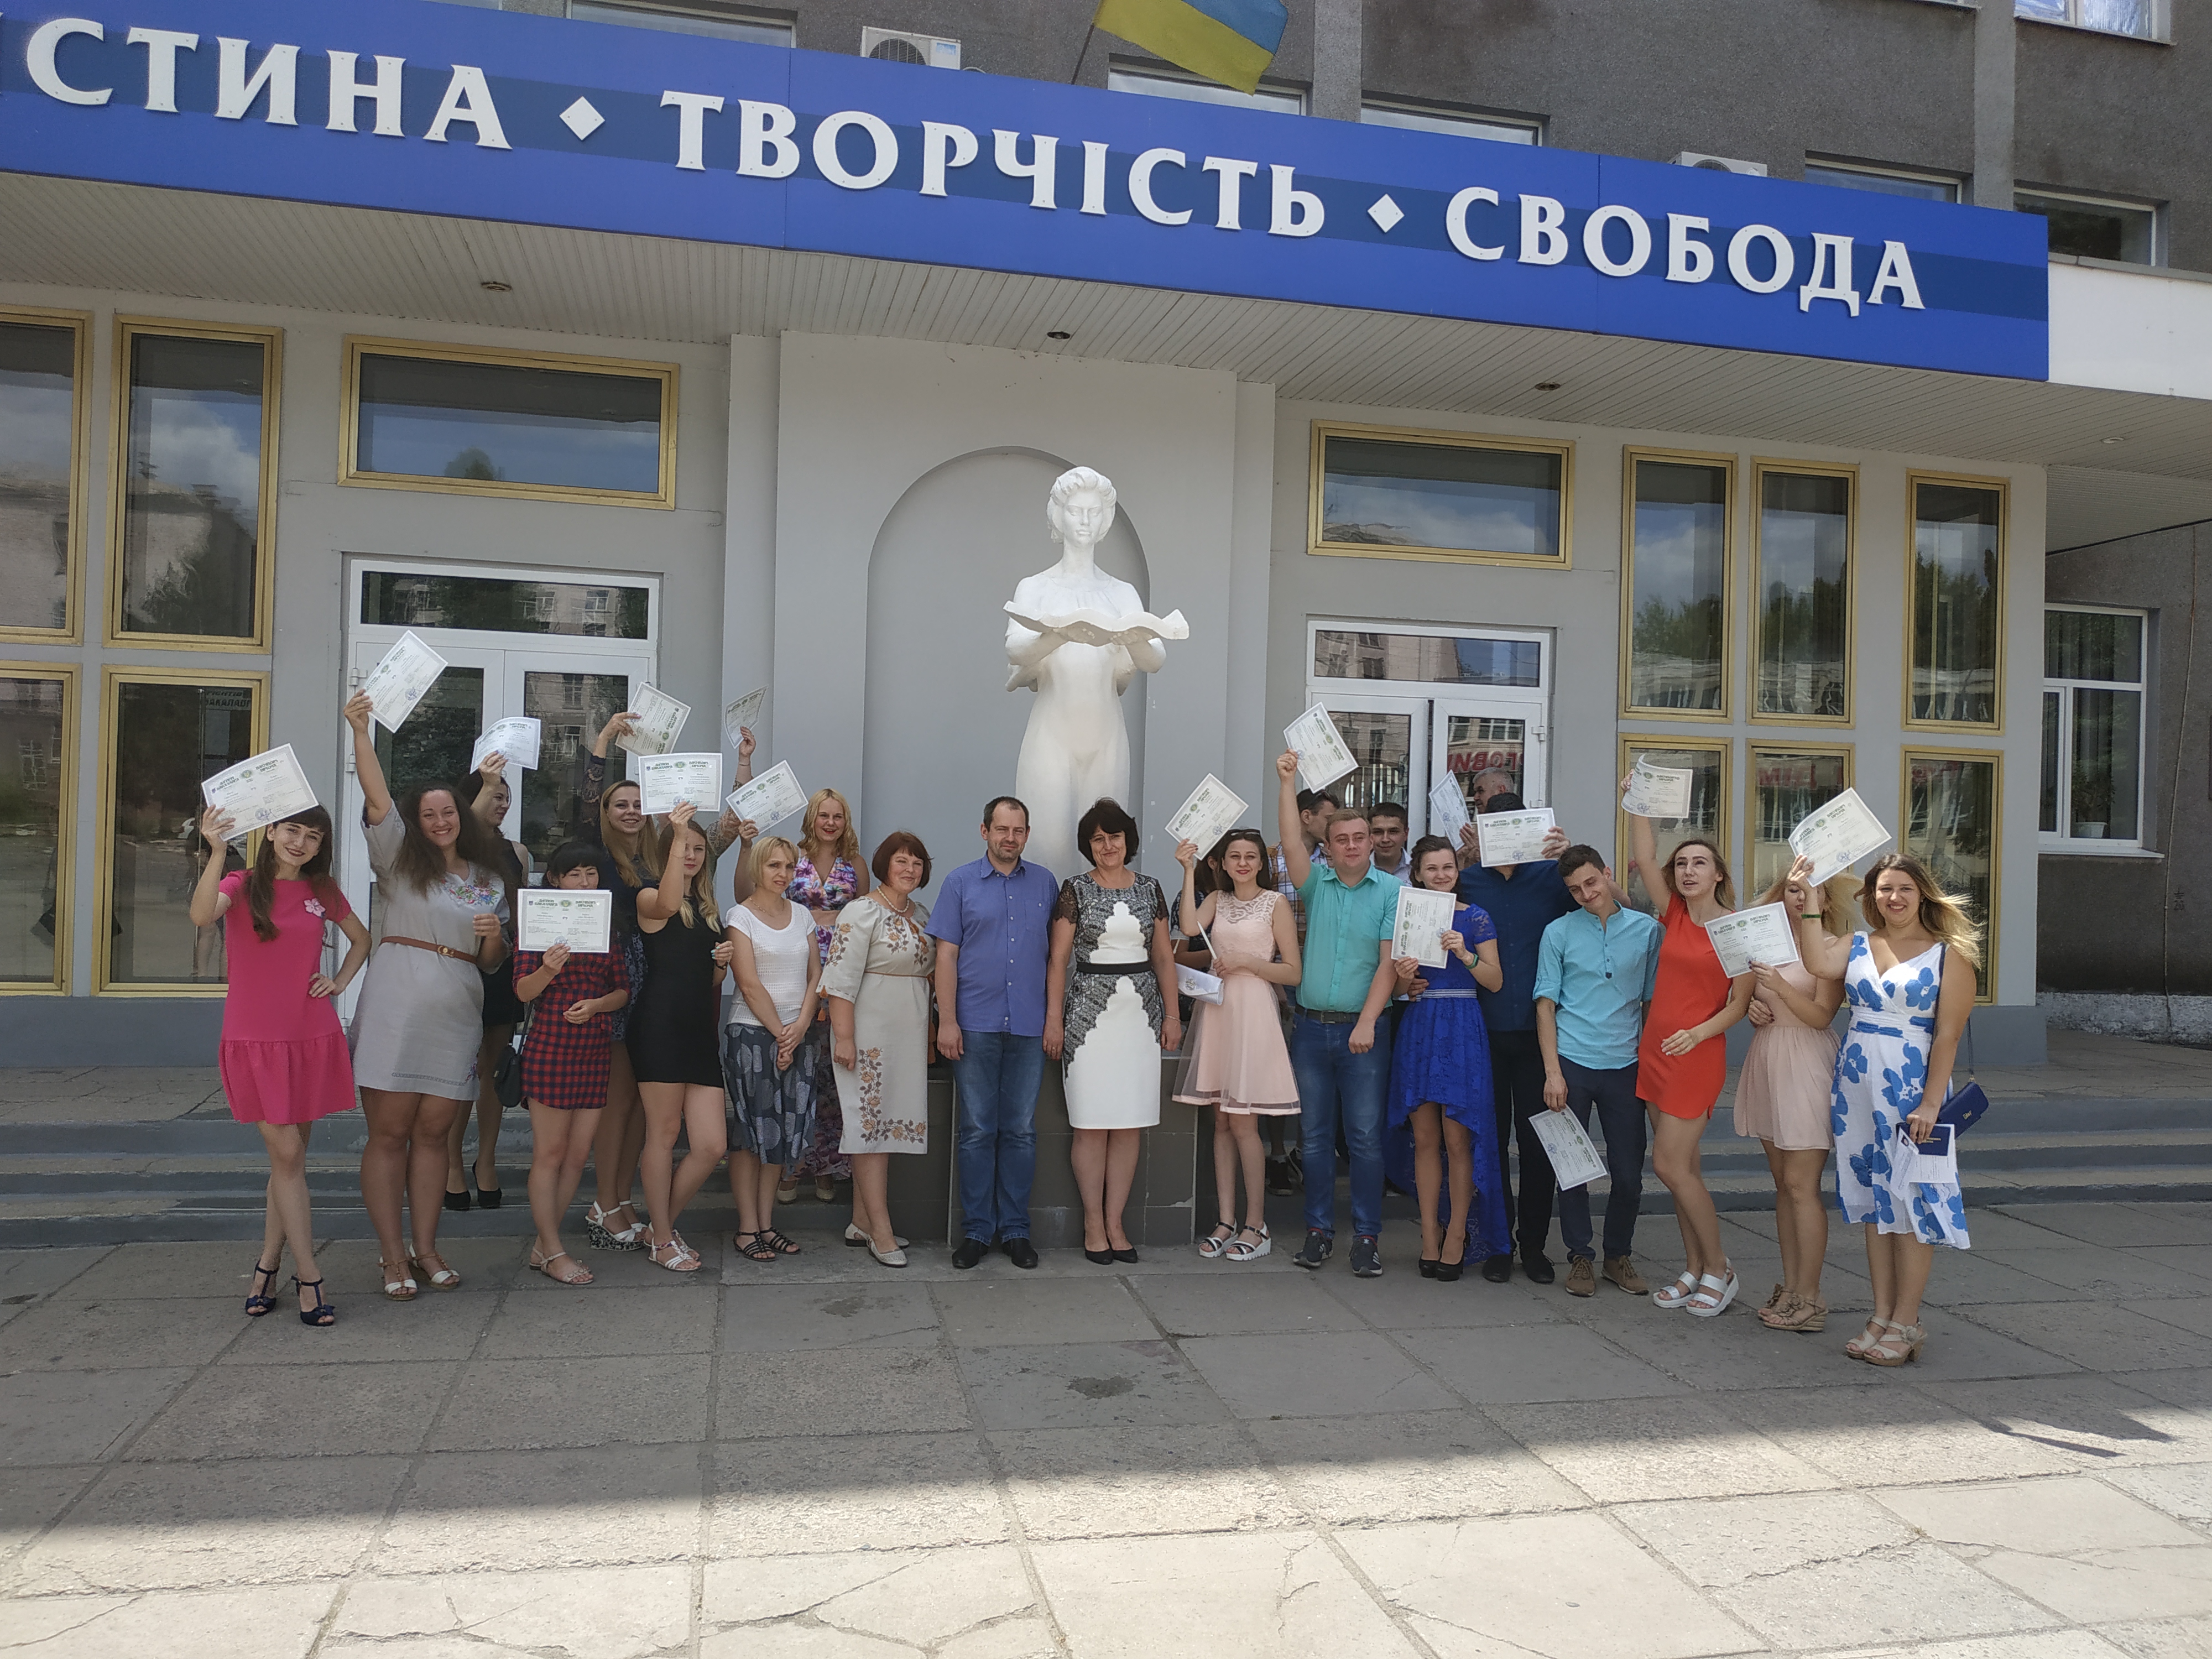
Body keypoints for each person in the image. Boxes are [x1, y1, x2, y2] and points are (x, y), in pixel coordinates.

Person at [344, 691, 511, 1301]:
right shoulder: (398, 861)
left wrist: (493, 938)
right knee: (390, 1134)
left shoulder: (487, 879)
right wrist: (361, 732)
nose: (441, 821)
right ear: (415, 822)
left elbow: (491, 963)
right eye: (429, 814)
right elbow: (377, 798)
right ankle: (392, 1256)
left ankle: (427, 1248)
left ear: (462, 816)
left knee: (437, 1136)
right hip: (397, 1007)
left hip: (458, 1011)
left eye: (448, 812)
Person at [1785, 852, 1978, 1367]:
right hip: (1858, 1089)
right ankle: (1883, 1314)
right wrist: (1810, 901)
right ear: (1871, 897)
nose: (1894, 898)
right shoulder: (1857, 945)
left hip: (1913, 1093)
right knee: (1876, 1202)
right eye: (1884, 889)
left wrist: (1932, 1103)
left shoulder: (1948, 957)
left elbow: (1948, 1036)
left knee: (1912, 1204)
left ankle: (1907, 1322)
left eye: (1904, 889)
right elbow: (1817, 964)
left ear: (1923, 895)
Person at [577, 712, 755, 1253]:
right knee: (621, 1105)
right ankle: (607, 1201)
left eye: (640, 804)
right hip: (618, 984)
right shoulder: (604, 856)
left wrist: (743, 764)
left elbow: (727, 827)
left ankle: (633, 1207)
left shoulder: (672, 860)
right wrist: (604, 743)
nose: (632, 812)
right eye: (621, 805)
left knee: (642, 1112)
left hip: (674, 999)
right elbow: (588, 806)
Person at [190, 804, 368, 1327]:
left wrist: (338, 982)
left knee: (287, 1163)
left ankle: (267, 1265)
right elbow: (202, 915)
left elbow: (362, 940)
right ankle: (309, 1276)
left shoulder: (322, 890)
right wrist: (217, 851)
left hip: (309, 1034)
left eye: (313, 836)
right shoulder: (242, 884)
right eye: (292, 830)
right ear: (271, 831)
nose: (300, 842)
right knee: (288, 1153)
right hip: (253, 1039)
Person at [1620, 792, 1756, 1316]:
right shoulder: (1673, 913)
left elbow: (1739, 1004)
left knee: (1670, 1165)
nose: (1688, 871)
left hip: (1696, 1057)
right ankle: (1694, 1267)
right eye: (1682, 864)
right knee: (1685, 1169)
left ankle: (1721, 1267)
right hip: (1656, 1053)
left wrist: (1698, 1035)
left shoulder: (1736, 929)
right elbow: (1645, 855)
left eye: (1700, 863)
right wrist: (1638, 802)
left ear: (1718, 874)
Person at [1275, 753, 1402, 1278]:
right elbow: (1289, 841)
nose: (1351, 845)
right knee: (1313, 1137)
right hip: (1311, 1028)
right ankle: (1319, 1231)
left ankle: (1367, 1237)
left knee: (1366, 1138)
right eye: (1341, 839)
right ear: (1327, 847)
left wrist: (1368, 1021)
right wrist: (1287, 782)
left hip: (1364, 1031)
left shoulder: (1394, 891)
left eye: (1359, 838)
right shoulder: (1315, 884)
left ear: (1371, 843)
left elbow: (1389, 963)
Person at [1046, 799, 1181, 1265]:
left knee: (1128, 1125)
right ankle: (1092, 1223)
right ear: (1089, 845)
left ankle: (1116, 1222)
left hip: (1140, 1017)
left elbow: (1163, 957)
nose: (1108, 846)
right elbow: (1058, 960)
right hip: (1088, 1018)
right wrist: (1054, 1020)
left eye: (1115, 837)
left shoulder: (1151, 888)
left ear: (1129, 841)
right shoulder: (1075, 889)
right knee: (1090, 1124)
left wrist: (1172, 1015)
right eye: (1098, 839)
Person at [931, 796, 1057, 1270]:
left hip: (1028, 1025)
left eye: (1018, 830)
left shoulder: (1046, 883)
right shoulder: (959, 883)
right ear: (984, 831)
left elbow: (1056, 958)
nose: (1010, 838)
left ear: (1027, 834)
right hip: (974, 1025)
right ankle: (978, 1232)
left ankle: (1016, 1231)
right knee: (977, 1131)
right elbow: (945, 955)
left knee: (1021, 1131)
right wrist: (947, 1020)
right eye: (1002, 829)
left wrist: (1053, 1018)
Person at [1454, 792, 1575, 1284]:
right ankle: (1499, 1243)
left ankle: (1535, 1246)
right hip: (1480, 1031)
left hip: (1538, 1033)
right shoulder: (1468, 879)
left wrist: (1569, 855)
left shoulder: (1552, 877)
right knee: (1490, 1142)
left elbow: (1609, 905)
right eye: (1495, 826)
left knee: (1538, 1143)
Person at [1533, 844, 1663, 1299]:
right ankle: (1580, 1256)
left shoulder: (1647, 931)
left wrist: (1652, 1062)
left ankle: (1617, 1255)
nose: (1587, 894)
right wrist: (1553, 1072)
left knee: (1629, 1173)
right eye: (1575, 889)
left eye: (1591, 882)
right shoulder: (1558, 932)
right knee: (1572, 1169)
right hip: (1572, 1059)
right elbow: (1545, 1005)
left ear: (1607, 873)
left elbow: (1652, 1002)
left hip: (1625, 1063)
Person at [1173, 828, 1300, 1262]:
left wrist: (1249, 962)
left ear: (1262, 863)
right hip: (1219, 1010)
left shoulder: (1275, 903)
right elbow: (1188, 927)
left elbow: (1293, 972)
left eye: (1250, 856)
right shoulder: (1218, 900)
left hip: (1253, 1009)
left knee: (1245, 1122)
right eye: (1234, 856)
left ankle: (1257, 1224)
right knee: (1222, 1123)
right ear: (1223, 863)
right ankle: (1226, 1220)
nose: (1243, 863)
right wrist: (1187, 870)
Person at [1385, 836, 1506, 1281]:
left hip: (1461, 1023)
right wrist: (1404, 981)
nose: (1441, 875)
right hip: (1420, 1024)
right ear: (1417, 874)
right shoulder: (1409, 915)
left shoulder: (1476, 917)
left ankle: (1457, 1233)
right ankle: (1429, 1234)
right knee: (1424, 1138)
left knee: (1458, 1138)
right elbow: (1400, 989)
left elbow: (1494, 981)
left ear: (1458, 871)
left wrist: (1465, 954)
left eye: (1448, 867)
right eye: (1432, 869)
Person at [510, 842, 631, 1286]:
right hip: (550, 1047)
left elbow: (622, 991)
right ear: (556, 880)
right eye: (574, 874)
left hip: (594, 1048)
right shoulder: (538, 922)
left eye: (591, 874)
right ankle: (554, 1249)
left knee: (578, 1155)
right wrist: (547, 969)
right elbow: (522, 991)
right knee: (550, 1153)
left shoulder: (605, 927)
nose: (584, 882)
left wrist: (597, 1005)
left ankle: (545, 1246)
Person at [1738, 870, 1851, 1333]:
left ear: (1826, 899)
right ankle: (1791, 1288)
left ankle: (1811, 1297)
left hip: (1807, 1062)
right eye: (1793, 889)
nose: (1801, 896)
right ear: (1779, 895)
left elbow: (1822, 1015)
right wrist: (1753, 1008)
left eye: (1811, 890)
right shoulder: (1764, 944)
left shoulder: (1834, 947)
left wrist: (1781, 989)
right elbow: (1750, 999)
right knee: (1784, 1185)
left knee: (1803, 1186)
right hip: (1768, 1059)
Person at [824, 831, 937, 1268]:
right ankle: (882, 1231)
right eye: (901, 861)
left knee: (885, 1129)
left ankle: (861, 1221)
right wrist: (845, 1036)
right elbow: (839, 979)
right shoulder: (861, 911)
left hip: (908, 1033)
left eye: (917, 863)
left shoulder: (922, 914)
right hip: (867, 1032)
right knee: (868, 1127)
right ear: (885, 864)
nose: (910, 869)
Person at [630, 802, 728, 1272]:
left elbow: (707, 981)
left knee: (711, 1145)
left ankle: (659, 1227)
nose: (690, 855)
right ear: (667, 851)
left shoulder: (708, 909)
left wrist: (722, 965)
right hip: (659, 1028)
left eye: (698, 849)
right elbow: (668, 906)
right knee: (664, 1134)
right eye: (682, 847)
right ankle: (663, 1239)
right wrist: (677, 830)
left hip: (698, 1032)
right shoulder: (649, 897)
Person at [721, 834, 824, 1264]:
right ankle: (747, 1228)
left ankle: (766, 1224)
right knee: (751, 1135)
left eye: (788, 866)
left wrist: (799, 1027)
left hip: (798, 1034)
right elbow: (747, 983)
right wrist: (782, 1033)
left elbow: (816, 974)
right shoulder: (740, 916)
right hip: (752, 1034)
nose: (782, 874)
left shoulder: (802, 915)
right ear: (757, 868)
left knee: (780, 1133)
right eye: (773, 866)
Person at [445, 750, 534, 1213]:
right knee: (461, 1068)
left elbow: (520, 911)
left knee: (494, 1068)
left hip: (505, 964)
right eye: (493, 795)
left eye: (506, 797)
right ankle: (451, 1163)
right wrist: (486, 780)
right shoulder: (455, 849)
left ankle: (487, 1159)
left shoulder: (516, 852)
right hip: (459, 963)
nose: (502, 803)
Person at [781, 787, 863, 1206]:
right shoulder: (792, 858)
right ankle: (792, 1165)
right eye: (824, 815)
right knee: (799, 1068)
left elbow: (865, 917)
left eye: (838, 816)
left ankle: (827, 1166)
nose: (830, 823)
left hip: (843, 973)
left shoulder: (855, 864)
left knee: (832, 1073)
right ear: (811, 818)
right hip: (799, 967)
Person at [1368, 802, 1412, 882]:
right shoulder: (1359, 871)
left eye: (1393, 832)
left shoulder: (1418, 870)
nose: (1385, 839)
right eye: (1378, 832)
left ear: (1406, 834)